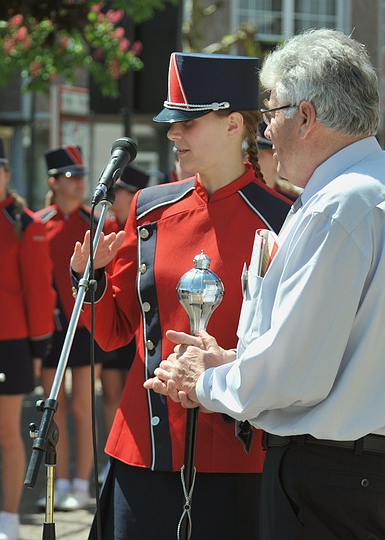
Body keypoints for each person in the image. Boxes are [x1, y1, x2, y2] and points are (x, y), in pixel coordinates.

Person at [145, 29, 385, 540]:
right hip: (365, 473)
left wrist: (206, 382)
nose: (265, 134)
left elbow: (296, 374)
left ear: (305, 117)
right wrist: (238, 363)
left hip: (327, 476)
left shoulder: (340, 204)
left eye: (270, 114)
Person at [70, 52, 293, 539]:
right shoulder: (150, 210)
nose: (173, 134)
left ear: (235, 124)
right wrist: (93, 281)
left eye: (188, 123)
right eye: (171, 124)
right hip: (144, 453)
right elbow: (112, 333)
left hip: (242, 458)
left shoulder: (286, 221)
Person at [0, 136, 56, 540]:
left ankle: (10, 517)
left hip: (9, 342)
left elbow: (39, 290)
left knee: (5, 431)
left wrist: (38, 349)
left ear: (7, 175)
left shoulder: (24, 223)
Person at [34, 145, 116, 511]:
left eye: (82, 176)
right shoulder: (38, 223)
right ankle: (60, 479)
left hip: (85, 325)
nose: (79, 183)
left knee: (83, 406)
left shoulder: (97, 221)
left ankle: (81, 483)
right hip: (50, 328)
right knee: (56, 407)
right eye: (70, 177)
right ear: (53, 182)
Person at [99, 165, 150, 438]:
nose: (114, 197)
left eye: (121, 192)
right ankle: (111, 454)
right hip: (111, 318)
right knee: (110, 393)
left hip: (134, 321)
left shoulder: (146, 229)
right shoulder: (102, 227)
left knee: (135, 393)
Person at [255, 121, 303, 201]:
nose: (248, 159)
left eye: (258, 154)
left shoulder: (292, 202)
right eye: (244, 154)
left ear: (277, 158)